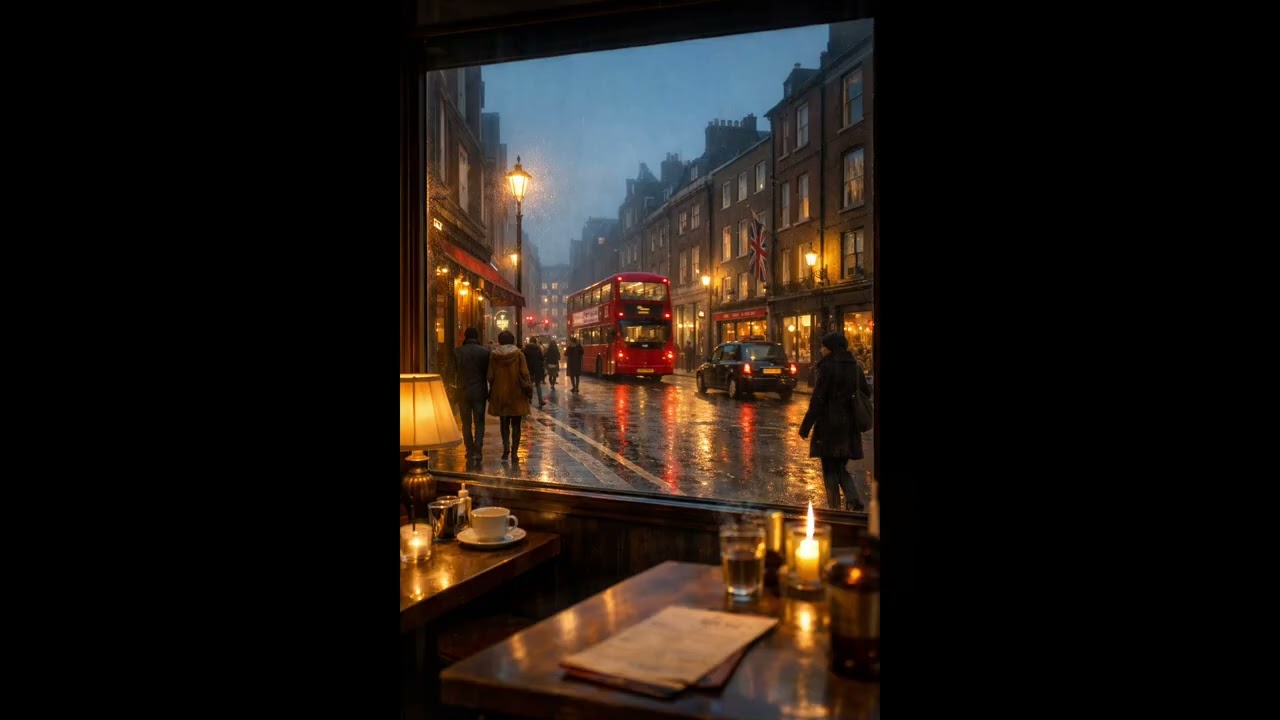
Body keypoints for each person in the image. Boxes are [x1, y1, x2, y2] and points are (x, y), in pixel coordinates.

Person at [798, 331, 872, 512]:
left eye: (824, 346)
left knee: (829, 469)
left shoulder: (827, 367)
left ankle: (834, 509)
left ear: (830, 348)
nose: (821, 350)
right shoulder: (855, 367)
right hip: (848, 428)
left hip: (829, 427)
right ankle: (854, 500)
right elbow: (866, 393)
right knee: (840, 467)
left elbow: (818, 400)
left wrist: (806, 427)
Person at [486, 330, 533, 464]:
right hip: (517, 393)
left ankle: (505, 448)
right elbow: (525, 373)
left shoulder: (494, 355)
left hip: (501, 393)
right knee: (516, 424)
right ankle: (514, 453)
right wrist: (528, 389)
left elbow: (490, 376)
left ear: (500, 341)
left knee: (504, 422)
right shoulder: (519, 355)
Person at [453, 327, 490, 466]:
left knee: (466, 422)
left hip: (463, 392)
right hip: (479, 392)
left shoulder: (458, 352)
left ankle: (469, 449)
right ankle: (478, 447)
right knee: (479, 421)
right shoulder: (485, 353)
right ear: (477, 336)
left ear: (465, 337)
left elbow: (453, 372)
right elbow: (488, 374)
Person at [522, 337, 548, 407]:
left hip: (529, 369)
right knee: (538, 385)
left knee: (530, 385)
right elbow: (542, 359)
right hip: (537, 369)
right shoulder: (538, 349)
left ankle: (529, 400)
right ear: (535, 342)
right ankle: (540, 400)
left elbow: (524, 359)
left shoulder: (525, 349)